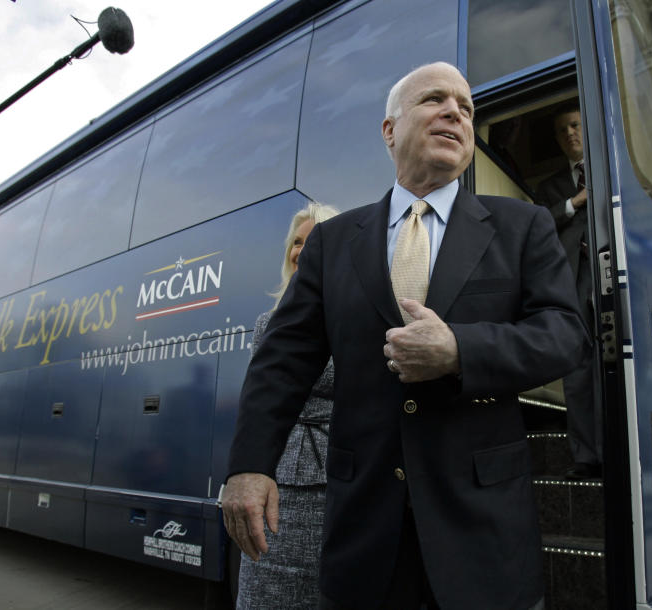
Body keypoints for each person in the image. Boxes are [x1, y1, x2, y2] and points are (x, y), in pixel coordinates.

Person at [221, 62, 588, 610]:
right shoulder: (332, 242)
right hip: (366, 535)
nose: (455, 113)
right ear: (390, 130)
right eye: (434, 100)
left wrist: (461, 350)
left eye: (465, 107)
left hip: (482, 537)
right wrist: (250, 466)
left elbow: (563, 335)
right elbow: (282, 361)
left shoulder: (522, 226)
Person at [235, 202, 339, 610]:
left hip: (340, 483)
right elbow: (257, 404)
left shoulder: (356, 317)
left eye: (311, 242)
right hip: (280, 486)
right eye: (295, 243)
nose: (299, 251)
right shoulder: (268, 322)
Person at [536, 102, 602, 480]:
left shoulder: (608, 168)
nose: (570, 134)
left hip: (610, 273)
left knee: (612, 365)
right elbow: (539, 220)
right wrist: (574, 203)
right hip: (573, 280)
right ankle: (586, 457)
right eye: (562, 130)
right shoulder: (552, 186)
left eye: (575, 125)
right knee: (577, 370)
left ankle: (616, 446)